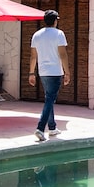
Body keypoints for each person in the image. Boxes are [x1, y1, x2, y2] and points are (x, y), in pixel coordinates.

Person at [29, 10, 70, 141]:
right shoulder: (59, 34)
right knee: (50, 100)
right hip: (55, 72)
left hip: (43, 72)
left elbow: (33, 56)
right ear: (55, 21)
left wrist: (31, 73)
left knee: (49, 98)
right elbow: (63, 54)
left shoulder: (36, 35)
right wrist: (67, 72)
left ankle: (52, 128)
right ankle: (40, 128)